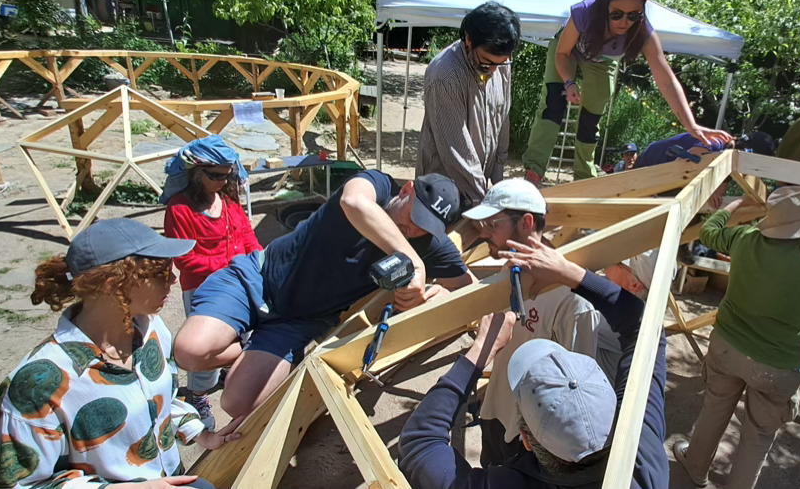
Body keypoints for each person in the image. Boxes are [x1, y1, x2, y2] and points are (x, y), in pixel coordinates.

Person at [174, 171, 476, 418]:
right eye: (415, 216)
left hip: (299, 323)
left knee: (236, 405)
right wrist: (413, 260)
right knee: (190, 352)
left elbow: (469, 286)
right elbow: (353, 200)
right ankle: (243, 343)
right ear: (407, 189)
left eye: (426, 227)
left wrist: (435, 294)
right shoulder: (379, 186)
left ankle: (253, 349)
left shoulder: (429, 244)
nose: (414, 229)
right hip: (258, 278)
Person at [398, 236, 669, 489]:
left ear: (525, 441)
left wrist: (479, 352)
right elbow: (644, 327)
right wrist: (570, 272)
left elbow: (418, 444)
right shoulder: (643, 457)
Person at [0, 219, 241, 489]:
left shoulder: (152, 331)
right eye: (159, 273)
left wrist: (202, 435)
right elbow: (20, 485)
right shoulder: (39, 383)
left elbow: (160, 401)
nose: (173, 279)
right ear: (113, 284)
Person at [673, 187, 800, 489]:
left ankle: (695, 467)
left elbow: (710, 231)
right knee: (758, 436)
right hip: (777, 366)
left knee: (714, 407)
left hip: (727, 347)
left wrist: (734, 204)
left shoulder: (745, 238)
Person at [521, 0, 732, 185]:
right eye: (617, 14)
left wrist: (691, 126)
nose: (624, 22)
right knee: (554, 102)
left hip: (601, 61)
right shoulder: (584, 12)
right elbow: (562, 54)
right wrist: (569, 82)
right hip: (568, 52)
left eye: (633, 15)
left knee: (592, 115)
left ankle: (584, 175)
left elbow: (666, 79)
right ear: (605, 6)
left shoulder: (643, 31)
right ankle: (534, 169)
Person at [462, 179, 621, 466]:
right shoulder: (510, 272)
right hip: (496, 410)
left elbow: (574, 393)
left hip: (531, 437)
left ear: (526, 222)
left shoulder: (572, 303)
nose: (484, 234)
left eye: (493, 224)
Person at [162, 135, 262, 430]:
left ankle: (232, 374)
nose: (222, 181)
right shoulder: (179, 209)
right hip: (204, 289)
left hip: (239, 280)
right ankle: (198, 394)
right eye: (215, 176)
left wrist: (259, 260)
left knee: (243, 334)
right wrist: (235, 265)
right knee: (204, 349)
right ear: (195, 172)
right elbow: (185, 259)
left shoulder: (229, 203)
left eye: (226, 175)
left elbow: (247, 237)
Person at [417, 2, 521, 207]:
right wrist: (485, 201)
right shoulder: (445, 76)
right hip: (441, 193)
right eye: (486, 62)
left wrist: (498, 178)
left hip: (478, 189)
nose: (493, 70)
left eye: (500, 63)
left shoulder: (500, 65)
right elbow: (456, 150)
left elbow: (502, 119)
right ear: (469, 40)